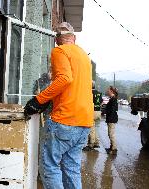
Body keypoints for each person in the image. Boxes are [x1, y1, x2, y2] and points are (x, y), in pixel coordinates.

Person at [24, 22, 94, 189]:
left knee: (49, 166)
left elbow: (64, 79)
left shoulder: (59, 51)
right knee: (72, 168)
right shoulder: (84, 56)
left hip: (65, 119)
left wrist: (39, 100)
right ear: (74, 38)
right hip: (84, 122)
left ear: (57, 39)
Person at [83, 81, 103, 151]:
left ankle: (90, 144)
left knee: (91, 128)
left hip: (92, 111)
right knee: (96, 128)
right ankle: (96, 143)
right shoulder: (99, 93)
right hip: (98, 111)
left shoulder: (89, 93)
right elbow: (101, 102)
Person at [105, 86, 119, 155]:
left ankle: (114, 149)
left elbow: (113, 110)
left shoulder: (113, 99)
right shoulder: (112, 99)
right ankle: (111, 147)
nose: (107, 91)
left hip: (112, 119)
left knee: (111, 134)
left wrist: (109, 116)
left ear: (111, 91)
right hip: (111, 119)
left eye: (108, 90)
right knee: (110, 133)